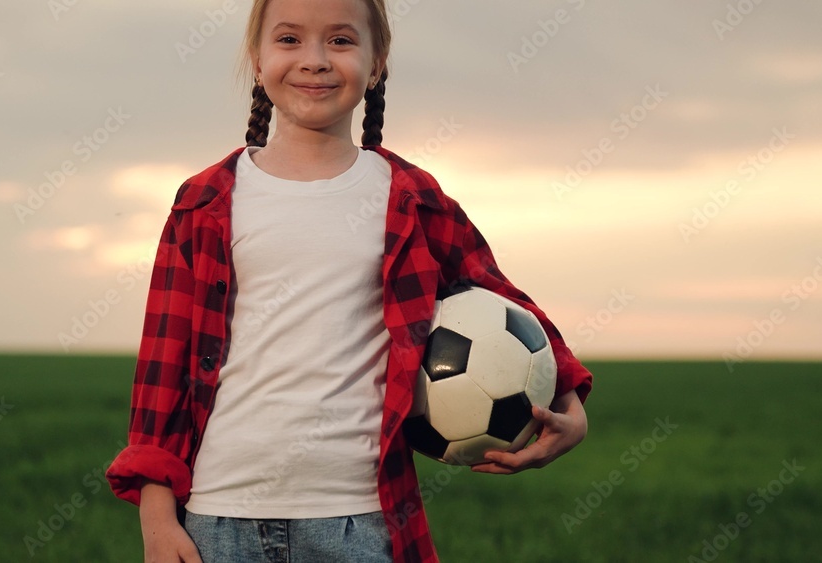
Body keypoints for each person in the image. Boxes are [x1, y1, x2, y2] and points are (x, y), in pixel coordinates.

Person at [105, 0, 593, 561]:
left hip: (360, 521)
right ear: (256, 59)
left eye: (340, 41)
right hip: (218, 519)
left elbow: (500, 297)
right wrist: (156, 516)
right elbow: (163, 364)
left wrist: (568, 397)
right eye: (289, 40)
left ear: (377, 61)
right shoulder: (205, 200)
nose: (314, 60)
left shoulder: (409, 197)